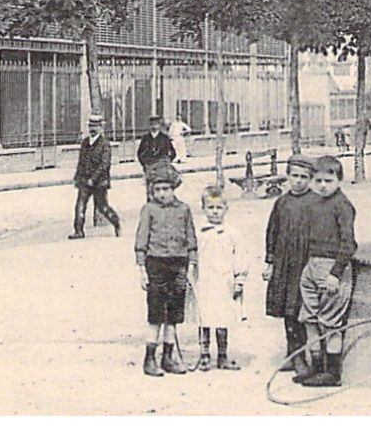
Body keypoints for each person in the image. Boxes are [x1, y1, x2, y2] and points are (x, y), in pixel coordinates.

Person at [295, 154, 358, 388]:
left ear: (339, 180)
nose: (323, 185)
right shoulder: (313, 204)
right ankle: (315, 366)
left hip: (332, 269)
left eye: (328, 181)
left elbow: (349, 243)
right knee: (309, 319)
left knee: (330, 323)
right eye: (318, 180)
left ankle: (331, 372)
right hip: (312, 266)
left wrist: (336, 273)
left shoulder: (342, 206)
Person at [134, 165, 198, 376]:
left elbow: (191, 240)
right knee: (156, 314)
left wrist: (190, 267)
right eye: (157, 189)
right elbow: (141, 241)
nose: (162, 193)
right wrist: (142, 270)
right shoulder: (148, 210)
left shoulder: (184, 209)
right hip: (156, 264)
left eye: (166, 189)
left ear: (174, 188)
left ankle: (168, 357)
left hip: (178, 264)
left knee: (174, 314)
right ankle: (149, 358)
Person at [262, 153, 315, 374]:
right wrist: (270, 263)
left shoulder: (315, 202)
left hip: (304, 263)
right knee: (287, 309)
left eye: (304, 176)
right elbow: (272, 233)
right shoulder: (281, 203)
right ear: (288, 176)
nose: (299, 181)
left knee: (301, 309)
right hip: (285, 263)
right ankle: (292, 353)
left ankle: (302, 356)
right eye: (295, 176)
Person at [195, 185, 249, 370]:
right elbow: (192, 255)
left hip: (224, 282)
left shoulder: (233, 233)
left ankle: (222, 355)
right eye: (211, 207)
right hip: (205, 281)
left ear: (226, 209)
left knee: (222, 318)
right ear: (203, 208)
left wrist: (239, 279)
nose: (215, 212)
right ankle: (204, 354)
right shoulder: (199, 232)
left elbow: (240, 256)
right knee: (205, 318)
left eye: (219, 208)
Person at [69, 113, 121, 238]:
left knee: (103, 207)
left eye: (95, 126)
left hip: (99, 182)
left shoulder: (104, 144)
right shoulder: (85, 142)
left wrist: (94, 179)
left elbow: (105, 164)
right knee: (80, 205)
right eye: (91, 126)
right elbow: (81, 162)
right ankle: (79, 231)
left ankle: (116, 223)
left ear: (101, 128)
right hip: (84, 180)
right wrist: (77, 177)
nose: (92, 128)